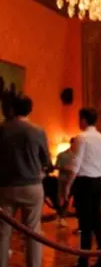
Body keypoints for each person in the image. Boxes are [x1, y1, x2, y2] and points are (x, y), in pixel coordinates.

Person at [0, 95, 51, 267]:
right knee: (33, 232)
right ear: (30, 109)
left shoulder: (2, 129)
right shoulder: (37, 130)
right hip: (31, 185)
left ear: (11, 109)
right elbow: (46, 161)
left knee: (2, 232)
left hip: (5, 187)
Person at [64, 108, 101, 267]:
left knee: (84, 222)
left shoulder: (81, 138)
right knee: (96, 219)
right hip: (98, 181)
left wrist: (68, 186)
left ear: (83, 119)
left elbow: (76, 164)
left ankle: (83, 259)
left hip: (83, 182)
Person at [54, 137, 76, 227]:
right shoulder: (62, 155)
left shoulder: (80, 155)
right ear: (72, 143)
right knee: (63, 199)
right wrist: (66, 168)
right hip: (64, 180)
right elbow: (56, 166)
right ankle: (61, 218)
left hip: (76, 180)